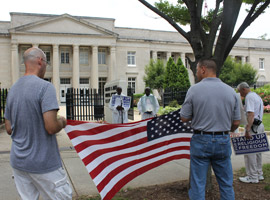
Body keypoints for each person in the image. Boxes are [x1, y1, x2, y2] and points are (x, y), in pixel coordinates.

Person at [4, 47, 72, 199]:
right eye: (46, 63)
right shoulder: (45, 87)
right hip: (44, 163)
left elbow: (8, 128)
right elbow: (51, 127)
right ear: (40, 61)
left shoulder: (13, 90)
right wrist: (62, 121)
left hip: (19, 162)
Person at [180, 58, 241, 200]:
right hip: (223, 139)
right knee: (226, 184)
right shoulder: (230, 91)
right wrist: (227, 129)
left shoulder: (194, 89)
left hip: (201, 139)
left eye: (196, 70)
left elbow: (184, 117)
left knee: (198, 185)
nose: (196, 73)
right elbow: (237, 122)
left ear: (203, 69)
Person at [237, 82, 265, 183]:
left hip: (253, 127)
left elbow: (251, 114)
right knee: (258, 151)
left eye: (240, 92)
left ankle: (252, 176)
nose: (240, 94)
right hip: (260, 125)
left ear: (243, 89)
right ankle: (259, 173)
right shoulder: (257, 96)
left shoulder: (249, 97)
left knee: (250, 152)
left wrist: (248, 129)